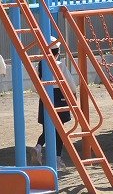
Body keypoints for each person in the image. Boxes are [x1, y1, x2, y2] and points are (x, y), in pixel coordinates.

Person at [31, 37, 77, 170]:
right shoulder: (59, 64)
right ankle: (57, 158)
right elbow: (70, 83)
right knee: (60, 129)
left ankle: (38, 147)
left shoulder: (39, 64)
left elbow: (35, 86)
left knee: (48, 127)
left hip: (45, 97)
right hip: (59, 96)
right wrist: (73, 94)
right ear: (57, 51)